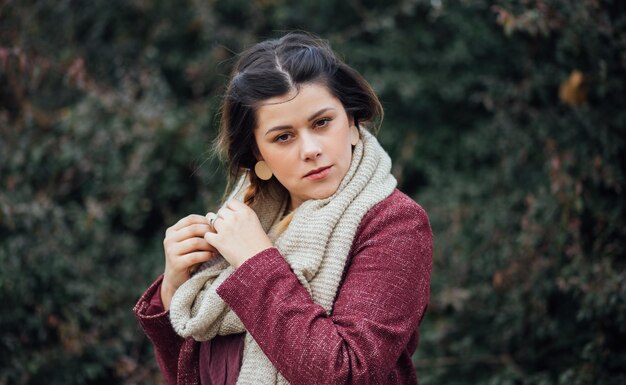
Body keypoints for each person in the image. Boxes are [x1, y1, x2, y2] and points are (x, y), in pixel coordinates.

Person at [134, 31, 432, 385]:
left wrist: (256, 263)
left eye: (322, 123)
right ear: (259, 155)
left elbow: (348, 374)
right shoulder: (242, 227)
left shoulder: (394, 223)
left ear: (352, 124)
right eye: (283, 137)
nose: (310, 149)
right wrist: (174, 290)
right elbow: (192, 377)